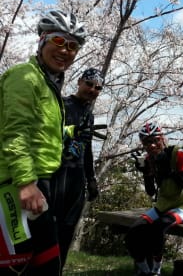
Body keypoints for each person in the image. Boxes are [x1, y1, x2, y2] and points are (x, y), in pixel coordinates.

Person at [0, 10, 86, 275]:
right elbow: (15, 132)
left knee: (47, 264)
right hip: (15, 185)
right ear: (42, 40)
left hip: (41, 185)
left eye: (73, 46)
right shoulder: (25, 76)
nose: (66, 51)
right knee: (18, 267)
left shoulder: (47, 83)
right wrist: (25, 183)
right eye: (59, 42)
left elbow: (40, 128)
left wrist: (68, 133)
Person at [50, 67, 104, 271]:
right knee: (51, 230)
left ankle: (58, 270)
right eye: (89, 84)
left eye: (98, 88)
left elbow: (87, 148)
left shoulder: (89, 114)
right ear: (80, 82)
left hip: (77, 178)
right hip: (57, 175)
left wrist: (91, 179)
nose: (92, 90)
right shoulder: (62, 104)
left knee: (67, 231)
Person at [125, 122, 183, 276]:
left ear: (163, 139)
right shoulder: (149, 159)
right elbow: (150, 191)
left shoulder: (178, 153)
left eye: (156, 140)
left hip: (182, 206)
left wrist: (168, 169)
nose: (153, 145)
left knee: (158, 227)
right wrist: (146, 172)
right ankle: (144, 270)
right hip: (162, 205)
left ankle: (156, 270)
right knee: (133, 233)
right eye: (147, 142)